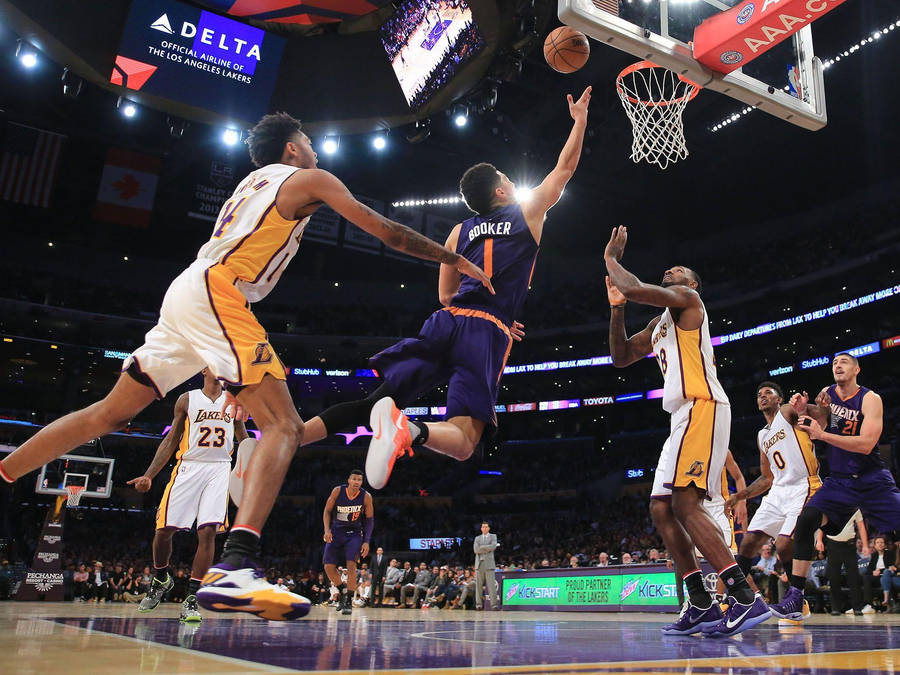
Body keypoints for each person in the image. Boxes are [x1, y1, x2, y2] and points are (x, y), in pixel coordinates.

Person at [0, 112, 491, 621]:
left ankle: (6, 472)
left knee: (108, 414)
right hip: (219, 291)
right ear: (292, 151)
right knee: (284, 425)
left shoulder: (251, 183)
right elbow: (385, 230)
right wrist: (457, 261)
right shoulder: (309, 179)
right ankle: (237, 566)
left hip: (188, 291)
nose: (317, 150)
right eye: (309, 141)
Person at [290, 88, 592, 488]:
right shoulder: (527, 211)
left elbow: (446, 296)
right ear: (502, 192)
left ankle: (287, 438)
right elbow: (564, 169)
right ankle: (409, 430)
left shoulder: (457, 232)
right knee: (465, 442)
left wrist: (482, 307)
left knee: (370, 403)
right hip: (486, 331)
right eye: (506, 179)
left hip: (445, 322)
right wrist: (580, 121)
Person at [605, 226, 769, 637]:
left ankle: (744, 597)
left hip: (703, 406)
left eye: (680, 269)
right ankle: (699, 602)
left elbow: (638, 287)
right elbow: (621, 357)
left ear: (692, 284)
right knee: (661, 508)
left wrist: (611, 259)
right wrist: (617, 308)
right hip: (680, 416)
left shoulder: (689, 302)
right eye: (671, 268)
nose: (671, 269)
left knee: (685, 502)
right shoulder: (661, 325)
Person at [770, 353, 900, 622]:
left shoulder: (870, 398)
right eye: (834, 363)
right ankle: (795, 597)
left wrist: (822, 435)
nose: (837, 366)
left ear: (856, 369)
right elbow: (824, 419)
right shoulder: (827, 393)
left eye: (843, 362)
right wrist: (805, 409)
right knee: (806, 519)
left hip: (871, 477)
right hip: (840, 481)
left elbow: (865, 444)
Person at [128, 368, 248, 622]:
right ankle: (161, 577)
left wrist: (250, 468)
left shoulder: (234, 400)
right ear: (204, 369)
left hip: (219, 469)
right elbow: (172, 439)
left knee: (208, 532)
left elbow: (243, 439)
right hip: (188, 465)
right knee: (163, 531)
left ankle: (192, 598)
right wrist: (149, 474)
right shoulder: (187, 399)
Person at [725, 381, 823, 620]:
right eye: (759, 394)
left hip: (803, 485)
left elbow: (818, 415)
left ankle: (796, 600)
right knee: (747, 544)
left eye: (768, 393)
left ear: (779, 399)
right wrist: (740, 495)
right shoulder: (762, 435)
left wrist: (810, 405)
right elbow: (767, 477)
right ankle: (736, 600)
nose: (762, 396)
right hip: (778, 491)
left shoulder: (787, 412)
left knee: (782, 544)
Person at [323, 469, 373, 616]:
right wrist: (326, 530)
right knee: (328, 566)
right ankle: (343, 592)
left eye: (359, 480)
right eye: (355, 479)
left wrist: (367, 541)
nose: (357, 482)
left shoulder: (366, 497)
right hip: (336, 531)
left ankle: (349, 601)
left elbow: (370, 520)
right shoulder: (338, 491)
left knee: (351, 564)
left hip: (354, 534)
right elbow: (326, 511)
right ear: (349, 480)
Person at [820, 510, 869, 615]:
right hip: (833, 545)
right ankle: (835, 608)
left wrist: (865, 545)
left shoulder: (855, 507)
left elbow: (861, 526)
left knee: (853, 577)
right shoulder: (829, 506)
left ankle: (857, 608)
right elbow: (822, 525)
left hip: (849, 545)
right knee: (834, 577)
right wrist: (819, 540)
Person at [867, 535, 898, 611]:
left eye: (882, 542)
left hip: (888, 575)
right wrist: (873, 572)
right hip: (876, 577)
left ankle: (887, 600)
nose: (880, 544)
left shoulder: (890, 553)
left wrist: (879, 571)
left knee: (886, 575)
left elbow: (890, 567)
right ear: (875, 545)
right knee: (866, 578)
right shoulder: (874, 555)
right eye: (877, 543)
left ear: (885, 545)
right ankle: (868, 604)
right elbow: (869, 569)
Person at [474, 521, 499, 610]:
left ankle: (494, 605)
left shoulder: (493, 536)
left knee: (491, 585)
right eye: (483, 527)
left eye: (486, 527)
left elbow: (493, 547)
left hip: (489, 564)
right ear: (481, 528)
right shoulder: (477, 538)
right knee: (478, 586)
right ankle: (479, 605)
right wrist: (487, 548)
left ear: (489, 528)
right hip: (479, 564)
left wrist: (482, 547)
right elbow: (476, 550)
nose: (484, 528)